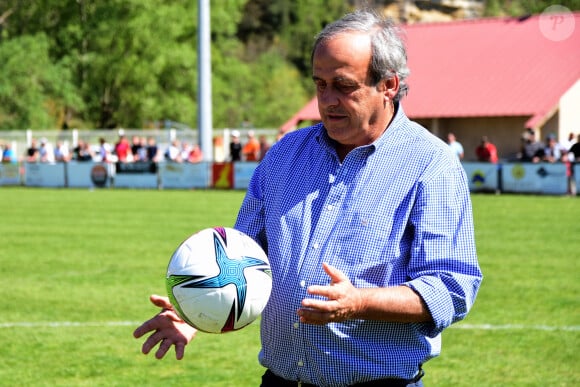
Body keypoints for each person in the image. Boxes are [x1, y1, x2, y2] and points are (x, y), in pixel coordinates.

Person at [134, 9, 482, 386]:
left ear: (389, 85)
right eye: (319, 84)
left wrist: (359, 303)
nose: (327, 100)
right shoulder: (285, 153)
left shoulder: (432, 164)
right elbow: (242, 258)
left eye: (343, 85)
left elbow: (452, 288)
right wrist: (197, 311)